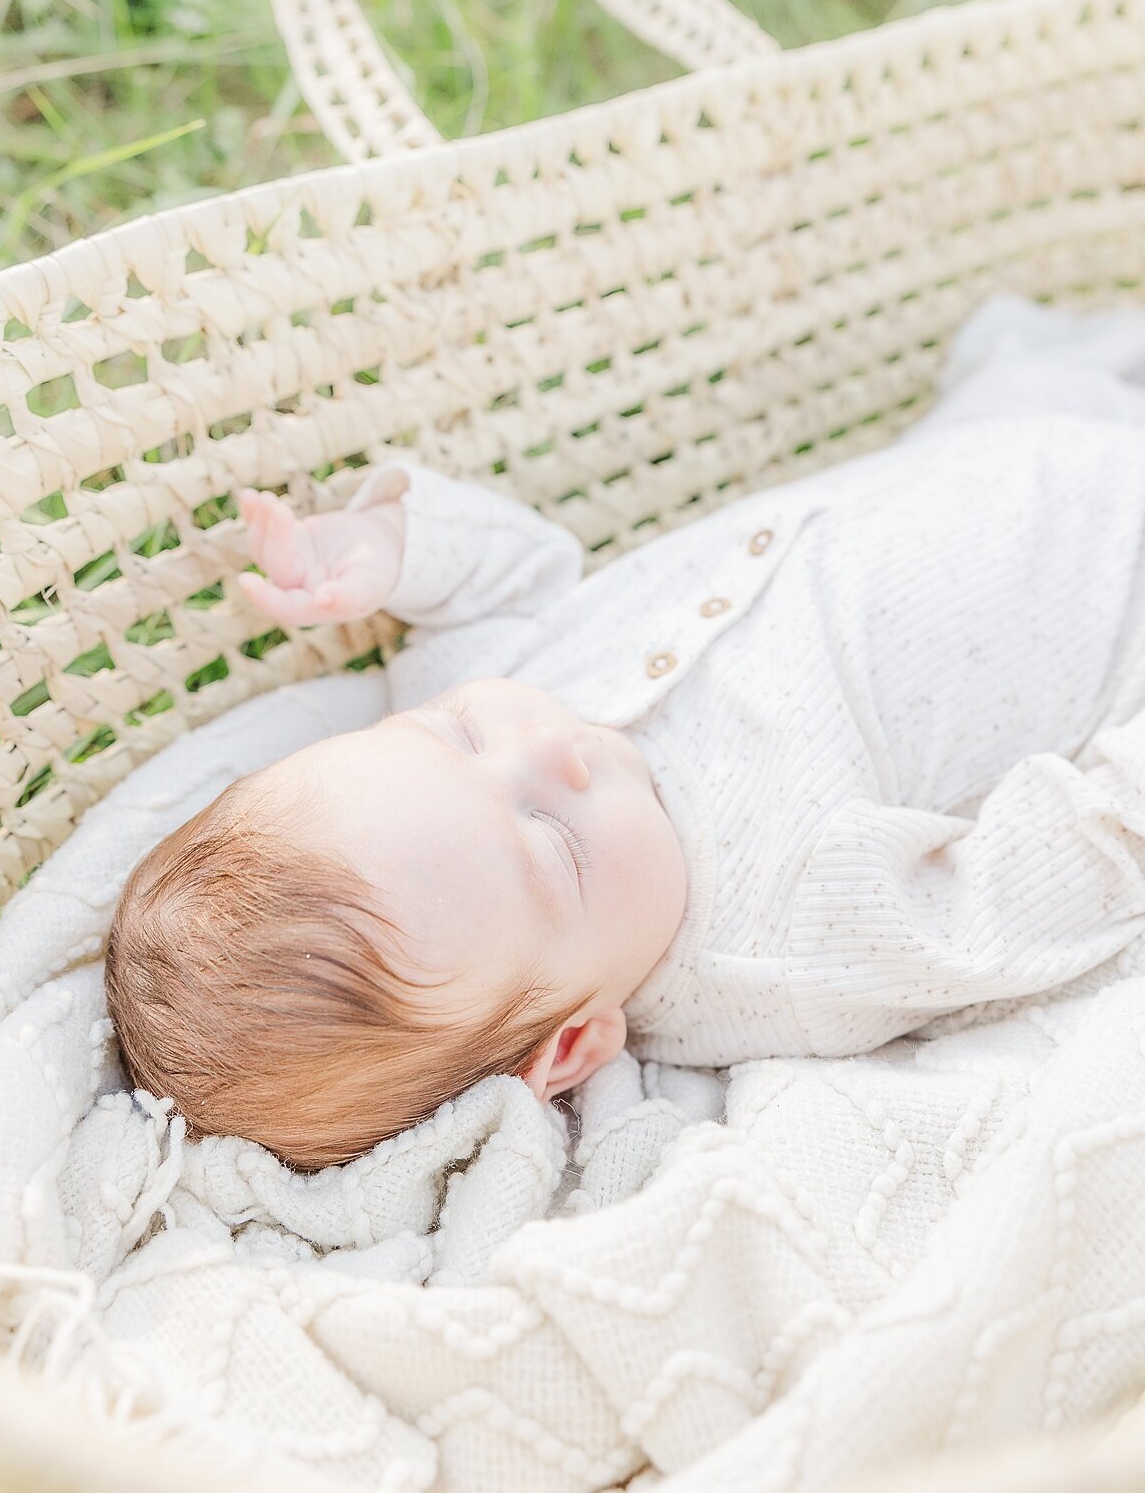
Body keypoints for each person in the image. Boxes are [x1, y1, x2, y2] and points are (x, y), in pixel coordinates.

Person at [104, 296, 1145, 1169]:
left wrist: (387, 549)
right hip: (1113, 592)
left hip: (996, 440)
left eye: (459, 733)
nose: (547, 748)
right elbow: (1009, 901)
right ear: (571, 1046)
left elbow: (505, 582)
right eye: (556, 841)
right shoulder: (780, 953)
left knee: (1046, 354)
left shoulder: (490, 710)